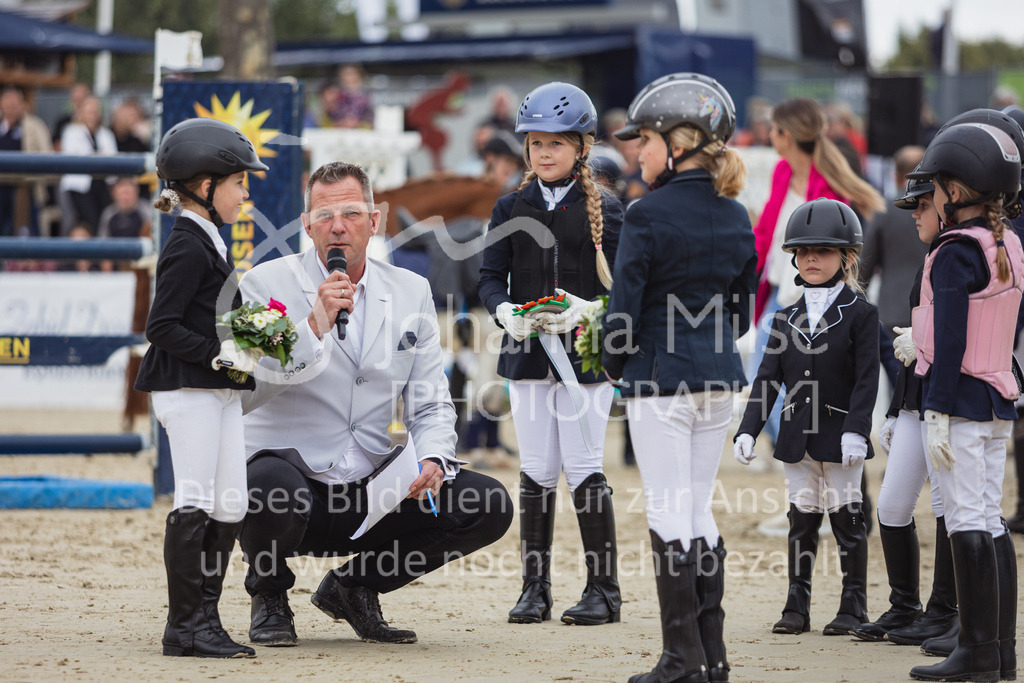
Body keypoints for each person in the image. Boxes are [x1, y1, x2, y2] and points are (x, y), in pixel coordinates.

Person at [237, 161, 513, 648]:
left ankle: (354, 586)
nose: (337, 226)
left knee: (487, 503)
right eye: (324, 216)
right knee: (265, 483)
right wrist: (312, 328)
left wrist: (433, 458)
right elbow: (243, 392)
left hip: (371, 489)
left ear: (374, 220)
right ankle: (269, 594)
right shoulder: (263, 284)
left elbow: (430, 403)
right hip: (289, 487)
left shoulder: (411, 290)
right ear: (306, 226)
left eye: (350, 213)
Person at [601, 72, 756, 683]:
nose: (637, 152)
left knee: (668, 511)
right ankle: (712, 658)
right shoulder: (736, 213)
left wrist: (613, 366)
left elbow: (624, 307)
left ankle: (679, 658)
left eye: (644, 140)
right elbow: (742, 312)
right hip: (718, 377)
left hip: (660, 378)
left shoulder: (647, 213)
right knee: (696, 509)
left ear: (679, 143)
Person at [477, 81, 623, 627]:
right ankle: (533, 588)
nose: (543, 152)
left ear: (582, 147)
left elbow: (626, 289)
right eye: (535, 143)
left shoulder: (608, 210)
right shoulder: (509, 206)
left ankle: (603, 589)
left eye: (556, 143)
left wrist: (591, 310)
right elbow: (489, 277)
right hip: (528, 354)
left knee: (584, 466)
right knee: (536, 469)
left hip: (586, 355)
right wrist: (504, 311)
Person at [134, 118, 270, 658]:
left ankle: (205, 619)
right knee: (195, 498)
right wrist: (220, 352)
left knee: (231, 503)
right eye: (239, 183)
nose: (245, 194)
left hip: (217, 389)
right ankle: (185, 626)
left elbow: (207, 315)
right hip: (187, 389)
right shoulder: (188, 244)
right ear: (206, 185)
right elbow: (161, 326)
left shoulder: (208, 238)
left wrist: (254, 334)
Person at [903, 122, 1022, 682]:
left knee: (968, 520)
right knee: (990, 519)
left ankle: (975, 652)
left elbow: (951, 338)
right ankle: (1000, 650)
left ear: (955, 190)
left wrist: (936, 409)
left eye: (936, 185)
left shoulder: (953, 251)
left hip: (962, 401)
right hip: (998, 397)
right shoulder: (1008, 242)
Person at [735, 198, 880, 637]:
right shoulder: (784, 318)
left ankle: (853, 605)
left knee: (847, 521)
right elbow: (767, 380)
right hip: (797, 436)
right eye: (803, 252)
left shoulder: (861, 314)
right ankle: (796, 604)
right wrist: (748, 430)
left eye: (823, 251)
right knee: (801, 521)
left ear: (847, 257)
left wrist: (857, 430)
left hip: (840, 434)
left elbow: (867, 379)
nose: (811, 259)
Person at [853, 172, 955, 645]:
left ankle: (944, 610)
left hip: (949, 403)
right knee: (893, 506)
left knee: (948, 508)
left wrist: (924, 341)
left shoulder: (956, 255)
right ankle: (904, 605)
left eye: (922, 206)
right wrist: (896, 409)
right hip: (916, 400)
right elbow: (913, 354)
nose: (914, 215)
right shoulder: (932, 257)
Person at [749, 98, 884, 451]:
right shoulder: (782, 171)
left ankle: (807, 446)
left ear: (786, 135)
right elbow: (767, 230)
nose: (769, 135)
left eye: (774, 129)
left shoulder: (829, 186)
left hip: (816, 298)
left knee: (812, 384)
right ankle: (797, 446)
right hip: (779, 294)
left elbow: (838, 248)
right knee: (761, 378)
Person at [58, 96, 117, 235]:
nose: (92, 116)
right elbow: (74, 158)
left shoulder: (106, 134)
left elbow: (113, 159)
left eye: (95, 112)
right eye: (89, 112)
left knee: (103, 221)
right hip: (79, 187)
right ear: (81, 113)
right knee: (89, 221)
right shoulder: (71, 132)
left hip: (103, 185)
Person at [0, 86, 52, 237]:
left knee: (27, 231)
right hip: (1, 186)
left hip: (26, 186)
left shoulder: (34, 126)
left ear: (22, 104)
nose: (11, 107)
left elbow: (47, 154)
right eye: (7, 103)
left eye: (15, 103)